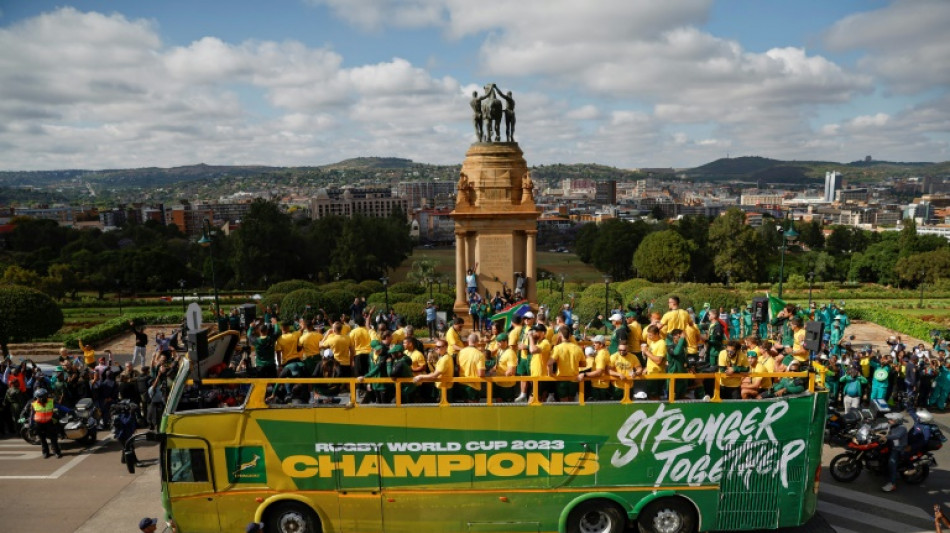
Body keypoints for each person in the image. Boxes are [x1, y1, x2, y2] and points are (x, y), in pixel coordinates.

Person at [23, 388, 70, 458]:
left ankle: (56, 452)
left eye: (45, 396)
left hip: (49, 423)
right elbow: (32, 415)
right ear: (38, 397)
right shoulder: (34, 404)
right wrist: (31, 425)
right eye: (42, 397)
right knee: (42, 439)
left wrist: (70, 410)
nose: (45, 398)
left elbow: (60, 407)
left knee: (53, 439)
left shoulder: (51, 401)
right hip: (38, 424)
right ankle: (45, 453)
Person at [547, 326, 585, 401]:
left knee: (564, 402)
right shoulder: (577, 348)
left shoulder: (557, 348)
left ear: (560, 335)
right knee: (571, 402)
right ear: (570, 335)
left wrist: (550, 374)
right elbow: (583, 364)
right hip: (574, 379)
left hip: (561, 379)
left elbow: (549, 363)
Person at [881, 412, 908, 492]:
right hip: (891, 445)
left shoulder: (902, 428)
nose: (889, 421)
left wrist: (886, 437)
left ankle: (892, 484)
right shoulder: (891, 425)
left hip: (898, 448)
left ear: (897, 421)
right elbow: (882, 425)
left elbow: (897, 436)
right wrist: (871, 428)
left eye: (891, 420)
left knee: (891, 463)